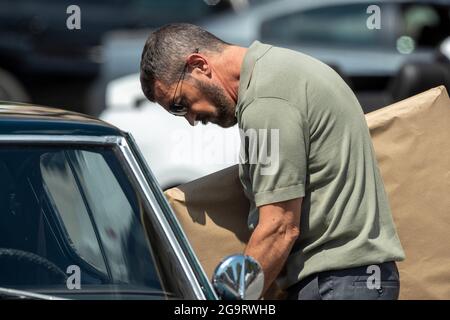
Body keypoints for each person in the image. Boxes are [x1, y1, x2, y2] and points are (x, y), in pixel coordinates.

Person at [139, 23, 405, 300]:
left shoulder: (266, 100)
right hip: (351, 281)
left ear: (199, 65)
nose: (192, 120)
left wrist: (235, 299)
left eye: (180, 104)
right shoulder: (278, 71)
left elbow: (279, 227)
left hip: (337, 283)